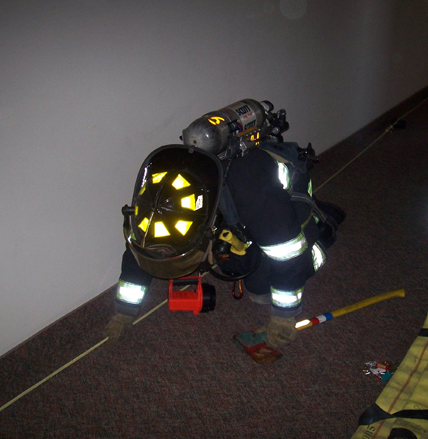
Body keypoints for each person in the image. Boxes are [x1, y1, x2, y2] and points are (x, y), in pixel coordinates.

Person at [105, 99, 344, 349]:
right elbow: (141, 252)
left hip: (281, 202)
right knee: (233, 258)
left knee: (259, 287)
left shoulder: (253, 197)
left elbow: (289, 255)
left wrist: (284, 317)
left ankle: (323, 227)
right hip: (234, 213)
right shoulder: (161, 196)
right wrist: (124, 312)